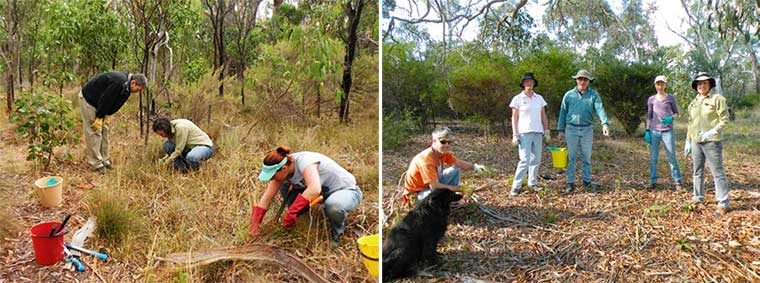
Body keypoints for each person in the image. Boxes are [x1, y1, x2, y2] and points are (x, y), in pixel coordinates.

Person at [249, 146, 362, 247]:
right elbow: (266, 197)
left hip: (345, 190)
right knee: (284, 185)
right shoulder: (284, 167)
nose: (271, 179)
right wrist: (255, 224)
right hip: (323, 192)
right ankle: (302, 220)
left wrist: (292, 212)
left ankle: (336, 236)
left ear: (283, 169)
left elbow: (314, 189)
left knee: (334, 206)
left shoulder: (305, 162)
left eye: (272, 176)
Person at [79, 71, 147, 173]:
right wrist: (99, 116)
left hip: (100, 104)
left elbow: (115, 103)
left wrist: (107, 114)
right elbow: (105, 99)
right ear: (133, 82)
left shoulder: (127, 88)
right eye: (138, 89)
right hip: (89, 100)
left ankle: (104, 160)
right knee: (94, 131)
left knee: (104, 130)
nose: (138, 92)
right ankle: (96, 163)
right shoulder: (118, 82)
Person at [684, 72, 730, 216]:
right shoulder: (694, 102)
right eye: (699, 83)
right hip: (696, 141)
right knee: (697, 171)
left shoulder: (717, 99)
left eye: (704, 83)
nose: (701, 85)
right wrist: (688, 141)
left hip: (711, 141)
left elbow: (724, 119)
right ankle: (698, 197)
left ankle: (723, 203)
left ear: (709, 84)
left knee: (717, 172)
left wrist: (712, 131)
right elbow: (691, 123)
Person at [557, 69, 610, 193]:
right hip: (571, 129)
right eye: (580, 79)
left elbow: (600, 109)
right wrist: (560, 129)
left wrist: (605, 124)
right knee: (572, 157)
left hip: (587, 129)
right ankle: (570, 183)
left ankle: (587, 181)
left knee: (586, 157)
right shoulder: (569, 95)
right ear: (576, 80)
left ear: (589, 81)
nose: (582, 81)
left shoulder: (593, 95)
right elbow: (563, 112)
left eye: (585, 79)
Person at [404, 127, 485, 201]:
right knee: (435, 197)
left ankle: (450, 197)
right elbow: (435, 187)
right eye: (443, 142)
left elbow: (459, 163)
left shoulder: (443, 153)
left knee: (455, 169)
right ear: (434, 141)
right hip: (418, 193)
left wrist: (475, 167)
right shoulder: (426, 160)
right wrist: (461, 188)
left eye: (449, 142)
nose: (447, 145)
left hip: (431, 184)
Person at [509, 72, 550, 196]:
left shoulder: (539, 98)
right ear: (523, 84)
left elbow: (543, 115)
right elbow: (514, 118)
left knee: (536, 159)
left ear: (534, 83)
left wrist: (546, 130)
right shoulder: (518, 99)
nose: (529, 84)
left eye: (531, 81)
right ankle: (516, 186)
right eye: (526, 82)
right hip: (524, 133)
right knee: (524, 160)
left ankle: (532, 183)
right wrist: (515, 135)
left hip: (537, 132)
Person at [645, 75, 683, 191]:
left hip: (667, 131)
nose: (660, 86)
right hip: (654, 131)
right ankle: (653, 181)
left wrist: (671, 118)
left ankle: (678, 182)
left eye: (662, 84)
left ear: (665, 85)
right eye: (658, 84)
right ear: (655, 85)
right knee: (653, 158)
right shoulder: (651, 99)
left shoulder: (670, 98)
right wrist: (647, 130)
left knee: (671, 157)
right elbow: (650, 116)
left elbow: (677, 113)